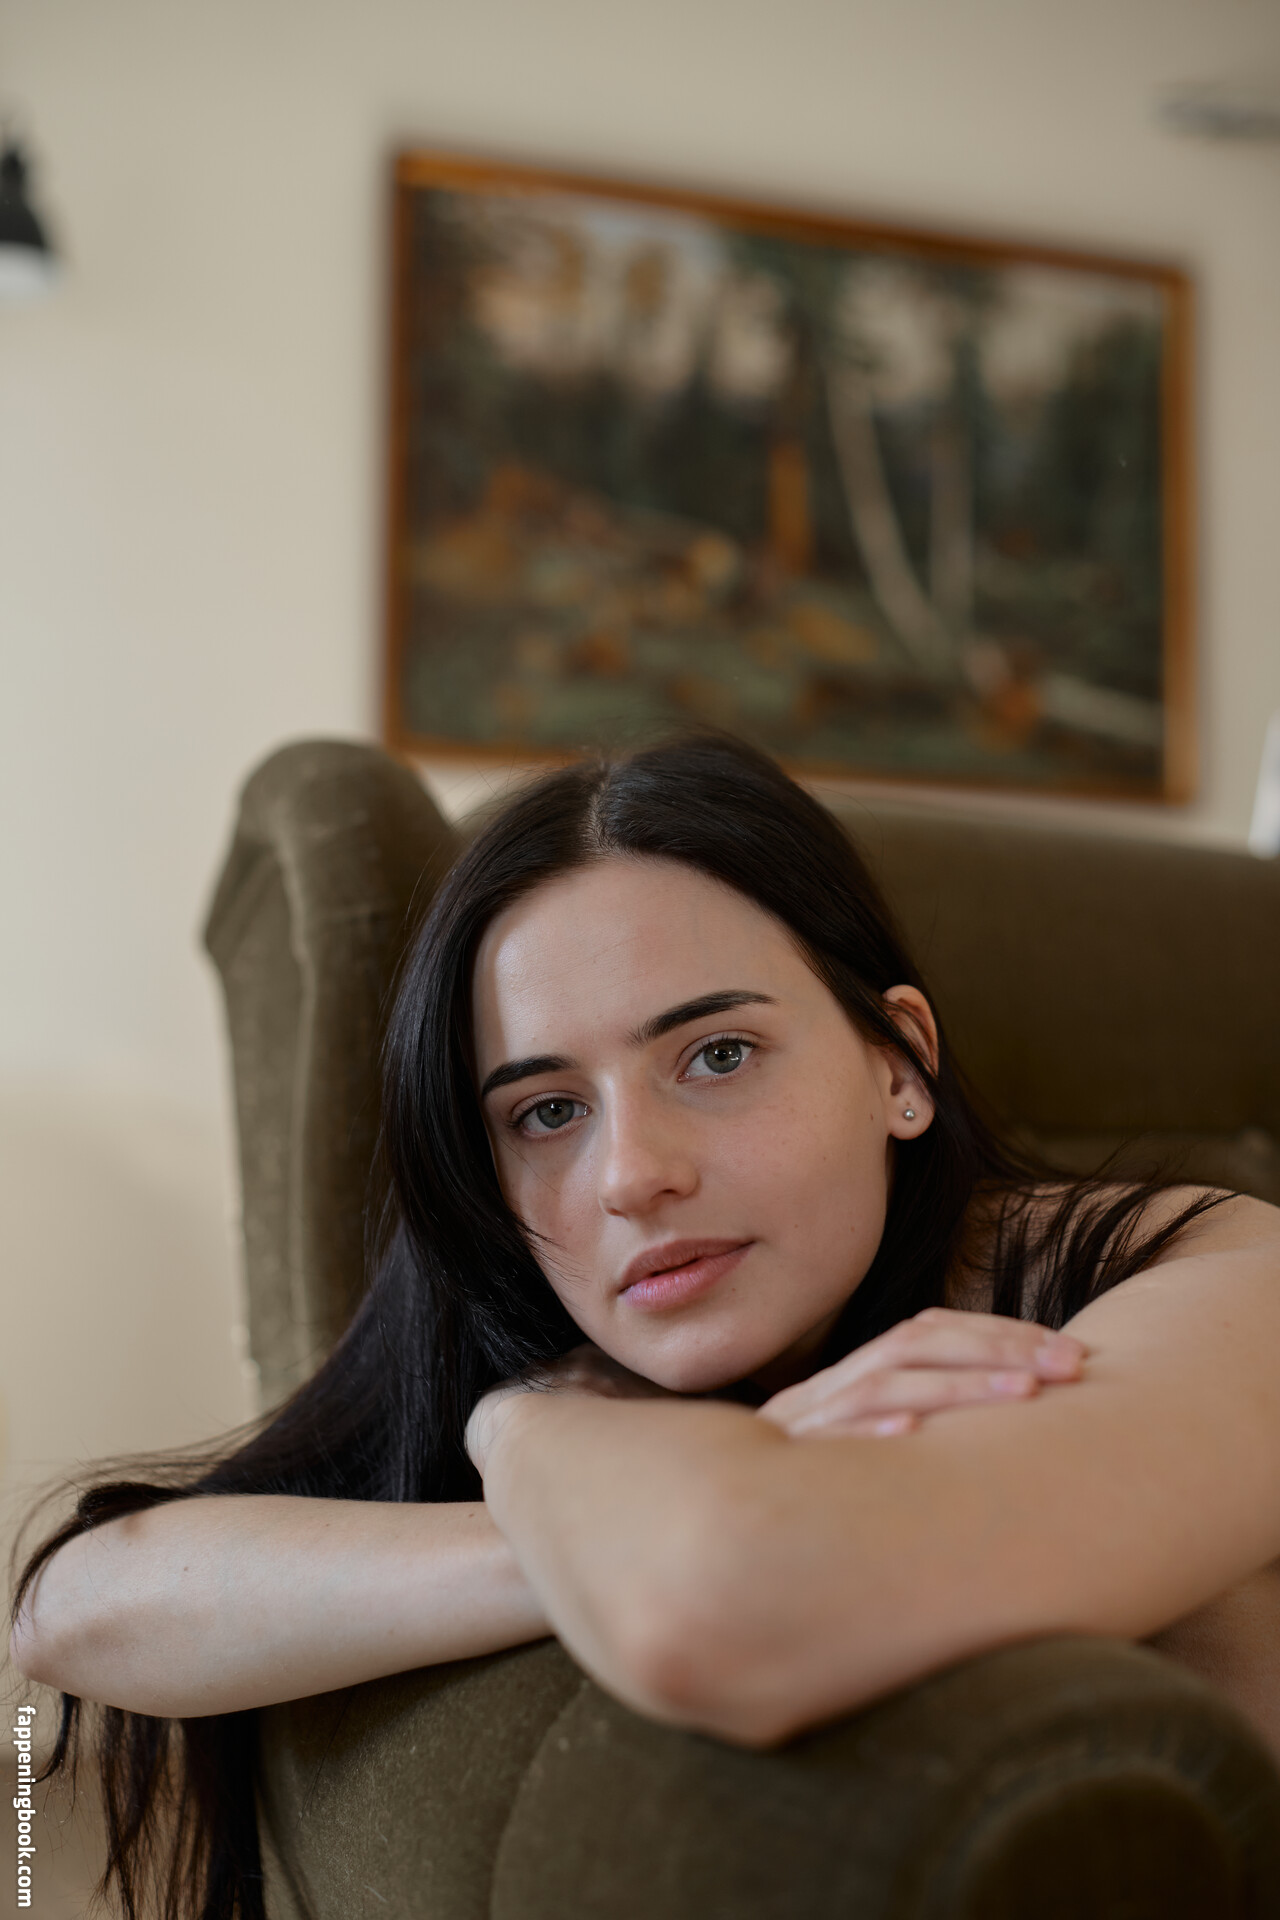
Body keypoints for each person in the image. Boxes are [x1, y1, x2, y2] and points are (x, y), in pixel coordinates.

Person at [12, 733, 1280, 1920]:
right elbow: (76, 1608)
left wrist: (629, 1485)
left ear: (897, 1064)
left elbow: (729, 1603)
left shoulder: (1213, 1266)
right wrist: (536, 1450)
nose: (630, 1176)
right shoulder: (541, 1350)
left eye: (716, 1055)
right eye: (546, 1112)